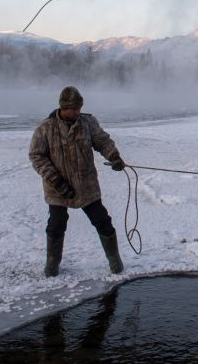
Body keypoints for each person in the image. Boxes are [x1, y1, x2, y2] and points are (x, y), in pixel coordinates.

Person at [29, 86, 127, 277]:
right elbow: (36, 156)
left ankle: (115, 263)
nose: (77, 112)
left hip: (86, 185)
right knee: (56, 226)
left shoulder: (88, 123)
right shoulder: (45, 128)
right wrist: (56, 181)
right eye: (73, 109)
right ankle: (52, 266)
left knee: (103, 221)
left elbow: (102, 141)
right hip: (57, 189)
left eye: (79, 108)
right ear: (63, 107)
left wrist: (114, 156)